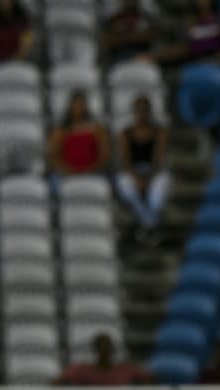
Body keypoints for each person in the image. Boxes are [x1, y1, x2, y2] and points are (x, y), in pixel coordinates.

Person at [53, 333, 155, 390]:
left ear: (112, 350)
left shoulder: (125, 369)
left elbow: (151, 380)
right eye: (101, 347)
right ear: (95, 350)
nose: (105, 351)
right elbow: (56, 382)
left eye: (107, 347)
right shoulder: (83, 370)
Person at [115, 95, 170, 240]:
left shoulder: (159, 132)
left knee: (156, 196)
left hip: (153, 170)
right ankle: (151, 225)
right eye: (139, 110)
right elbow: (125, 161)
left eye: (145, 110)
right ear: (134, 113)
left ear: (150, 112)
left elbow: (159, 159)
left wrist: (149, 179)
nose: (142, 113)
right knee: (126, 187)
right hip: (132, 171)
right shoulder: (126, 133)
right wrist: (137, 178)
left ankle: (145, 226)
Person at [143, 0, 220, 67]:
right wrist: (156, 56)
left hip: (216, 65)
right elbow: (184, 48)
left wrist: (213, 62)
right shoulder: (190, 21)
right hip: (192, 64)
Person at [48, 90, 110, 180]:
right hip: (66, 172)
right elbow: (53, 156)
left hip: (93, 171)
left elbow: (104, 155)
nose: (79, 108)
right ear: (70, 106)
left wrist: (92, 169)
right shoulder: (60, 131)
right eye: (76, 104)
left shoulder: (97, 129)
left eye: (82, 104)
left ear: (86, 107)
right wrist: (67, 170)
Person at [102, 0, 156, 65]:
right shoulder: (114, 18)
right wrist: (134, 37)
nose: (129, 2)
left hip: (145, 57)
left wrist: (125, 37)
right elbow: (108, 41)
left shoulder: (146, 17)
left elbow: (151, 36)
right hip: (119, 59)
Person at [0, 0, 34, 68]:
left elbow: (27, 42)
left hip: (18, 61)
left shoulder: (22, 18)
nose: (5, 2)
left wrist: (18, 57)